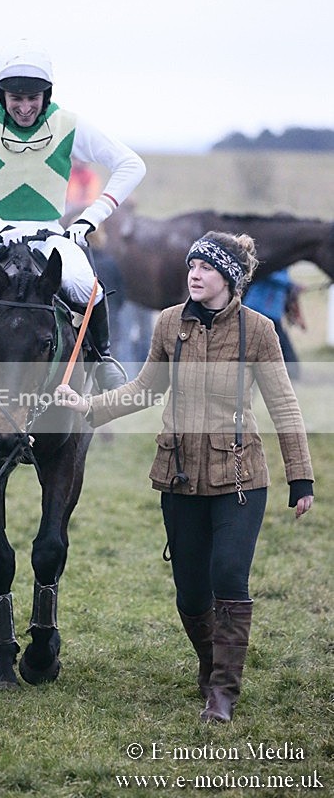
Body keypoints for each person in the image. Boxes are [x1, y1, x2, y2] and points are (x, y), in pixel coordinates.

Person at [56, 231, 314, 723]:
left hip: (240, 478)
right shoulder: (169, 324)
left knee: (228, 578)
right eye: (192, 266)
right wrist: (87, 408)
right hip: (177, 476)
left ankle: (223, 692)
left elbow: (284, 403)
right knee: (191, 593)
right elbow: (144, 390)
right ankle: (209, 663)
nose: (194, 274)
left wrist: (300, 478)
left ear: (230, 279)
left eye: (207, 268)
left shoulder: (258, 331)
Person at [0, 38, 146, 390]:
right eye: (16, 99)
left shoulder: (68, 124)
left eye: (33, 98)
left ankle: (102, 357)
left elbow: (131, 164)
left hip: (49, 233)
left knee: (88, 287)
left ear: (46, 95)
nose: (25, 107)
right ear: (2, 96)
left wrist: (91, 218)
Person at [243, 268, 306, 380]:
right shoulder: (272, 258)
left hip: (272, 315)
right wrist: (291, 285)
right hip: (258, 312)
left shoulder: (284, 263)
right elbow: (268, 273)